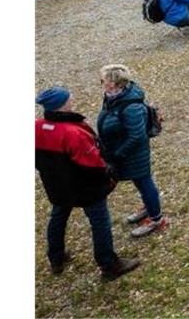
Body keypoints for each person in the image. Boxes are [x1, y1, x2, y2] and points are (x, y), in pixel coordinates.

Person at [35, 87, 141, 280]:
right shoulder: (73, 132)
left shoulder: (36, 127)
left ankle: (56, 257)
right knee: (100, 222)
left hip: (56, 186)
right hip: (85, 188)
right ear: (63, 104)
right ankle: (108, 264)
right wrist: (109, 176)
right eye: (68, 98)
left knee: (58, 217)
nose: (72, 99)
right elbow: (93, 165)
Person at [96, 64, 168, 238]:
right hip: (124, 151)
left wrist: (118, 154)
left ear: (115, 83)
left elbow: (137, 136)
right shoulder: (113, 97)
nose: (102, 83)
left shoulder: (131, 107)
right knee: (140, 182)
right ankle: (148, 206)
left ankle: (156, 218)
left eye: (104, 80)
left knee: (144, 181)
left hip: (133, 154)